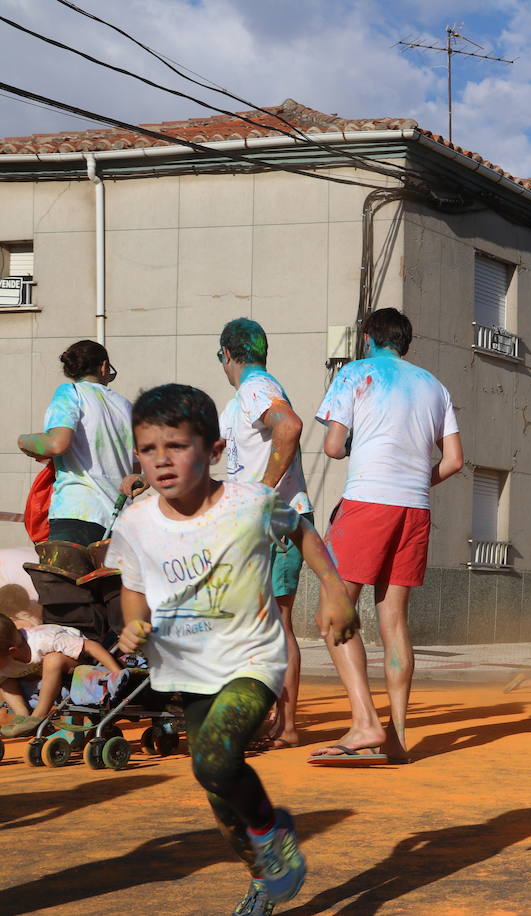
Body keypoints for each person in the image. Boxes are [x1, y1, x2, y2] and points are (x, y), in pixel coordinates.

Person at [106, 383, 358, 914]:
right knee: (217, 791)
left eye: (175, 446)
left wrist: (335, 591)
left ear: (215, 451)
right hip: (185, 669)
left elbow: (305, 532)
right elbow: (132, 586)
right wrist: (133, 625)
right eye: (148, 450)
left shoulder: (251, 504)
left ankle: (273, 830)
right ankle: (265, 876)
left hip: (253, 660)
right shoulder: (134, 524)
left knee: (217, 761)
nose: (161, 461)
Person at [311, 308, 464, 765]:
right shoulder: (435, 386)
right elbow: (454, 460)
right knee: (393, 621)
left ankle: (364, 723)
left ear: (367, 338)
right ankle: (396, 737)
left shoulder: (356, 372)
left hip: (367, 502)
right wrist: (412, 478)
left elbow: (334, 446)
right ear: (406, 343)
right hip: (414, 506)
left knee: (333, 615)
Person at [216, 318, 313, 750]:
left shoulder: (257, 387)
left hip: (273, 523)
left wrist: (260, 491)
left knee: (275, 627)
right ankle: (270, 718)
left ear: (228, 356)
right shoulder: (241, 400)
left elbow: (289, 426)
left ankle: (286, 724)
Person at [17, 340, 134, 546]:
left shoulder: (71, 393)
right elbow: (136, 467)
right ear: (104, 367)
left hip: (76, 514)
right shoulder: (127, 407)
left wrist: (24, 441)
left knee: (64, 579)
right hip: (121, 523)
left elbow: (56, 444)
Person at [1, 616, 123, 736]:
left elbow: (90, 646)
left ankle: (39, 715)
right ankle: (22, 715)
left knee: (53, 660)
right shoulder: (7, 657)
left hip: (81, 666)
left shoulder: (46, 639)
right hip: (43, 675)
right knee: (4, 679)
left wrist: (117, 674)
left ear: (12, 651)